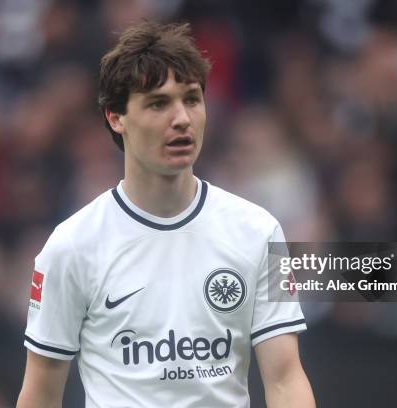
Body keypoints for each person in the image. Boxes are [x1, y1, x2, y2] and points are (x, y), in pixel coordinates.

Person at [16, 21, 315, 408]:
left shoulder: (258, 231)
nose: (182, 119)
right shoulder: (72, 246)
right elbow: (40, 394)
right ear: (115, 117)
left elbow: (285, 379)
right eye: (158, 103)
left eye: (191, 99)